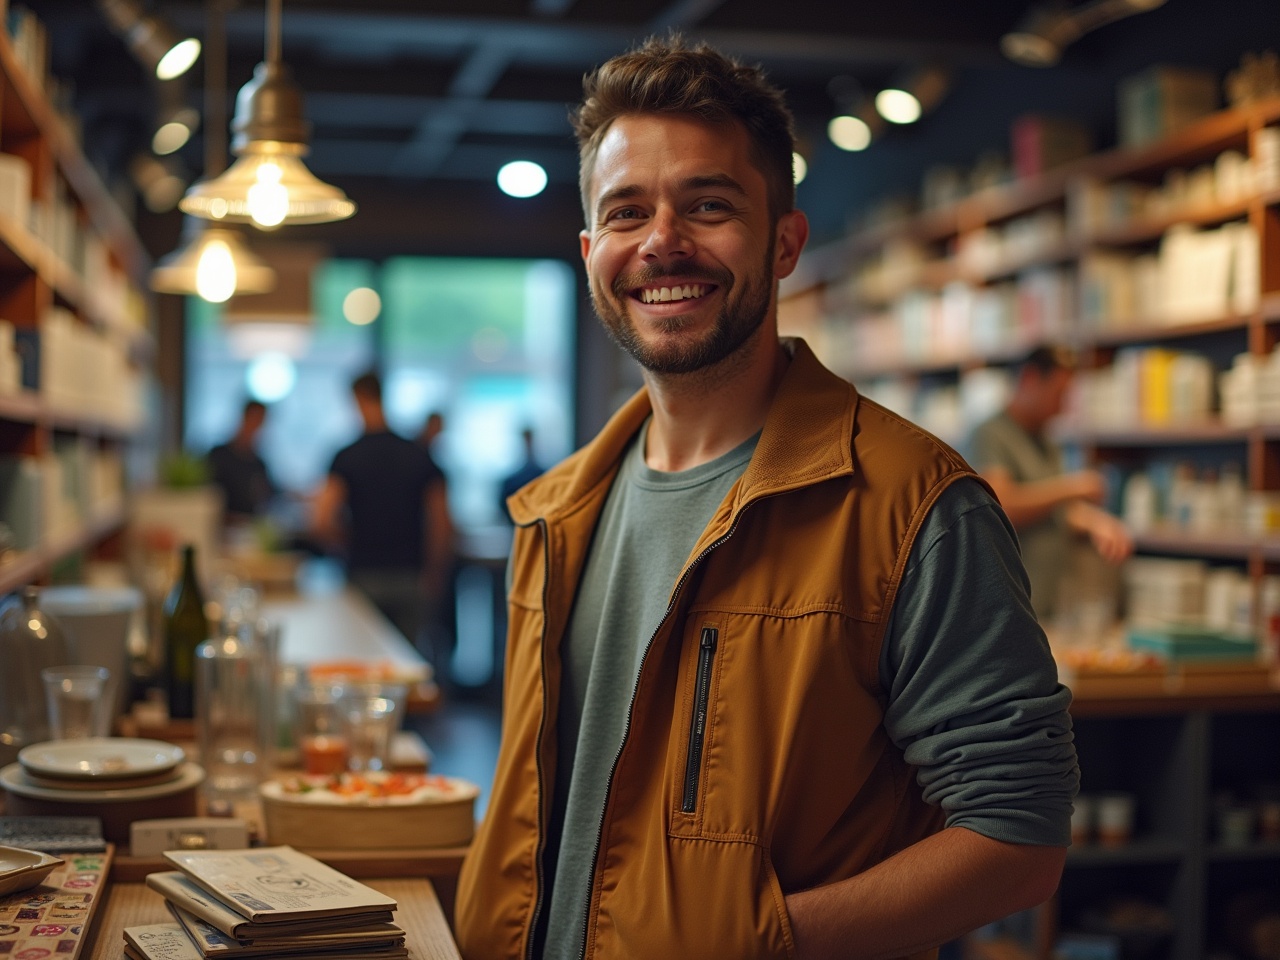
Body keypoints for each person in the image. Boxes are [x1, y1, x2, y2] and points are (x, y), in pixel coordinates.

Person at [455, 36, 1078, 960]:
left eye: (709, 205)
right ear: (593, 253)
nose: (662, 241)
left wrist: (759, 942)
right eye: (628, 212)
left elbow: (1018, 840)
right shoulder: (553, 513)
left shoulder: (914, 507)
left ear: (785, 243)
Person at [969, 346, 1133, 622]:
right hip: (1005, 605)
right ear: (1031, 379)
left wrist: (1094, 522)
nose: (1064, 405)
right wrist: (1074, 486)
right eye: (1060, 394)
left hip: (1045, 600)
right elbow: (1003, 505)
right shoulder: (989, 435)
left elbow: (1052, 510)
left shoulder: (1046, 441)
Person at [311, 372, 452, 655]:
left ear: (357, 399)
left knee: (364, 661)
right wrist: (435, 571)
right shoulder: (418, 454)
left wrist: (347, 543)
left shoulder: (347, 456)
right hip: (410, 574)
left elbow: (320, 520)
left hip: (363, 572)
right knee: (407, 665)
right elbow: (442, 524)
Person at [205, 399, 276, 523]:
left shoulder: (258, 463)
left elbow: (270, 493)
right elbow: (206, 496)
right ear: (244, 418)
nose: (256, 428)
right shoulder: (219, 456)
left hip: (249, 531)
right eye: (254, 420)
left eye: (261, 422)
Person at [497, 426, 546, 522]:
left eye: (529, 440)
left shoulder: (544, 475)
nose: (528, 443)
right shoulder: (511, 481)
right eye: (526, 440)